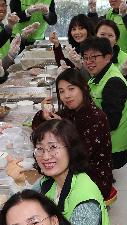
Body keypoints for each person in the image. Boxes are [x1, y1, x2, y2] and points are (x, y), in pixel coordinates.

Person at [32, 68, 115, 199]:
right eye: (61, 91)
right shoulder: (70, 111)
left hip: (93, 177)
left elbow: (80, 157)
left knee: (38, 188)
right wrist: (43, 115)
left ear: (83, 88)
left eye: (71, 89)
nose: (66, 95)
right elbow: (39, 132)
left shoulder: (96, 117)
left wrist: (64, 130)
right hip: (73, 169)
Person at [81, 37, 127, 170]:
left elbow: (110, 123)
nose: (88, 62)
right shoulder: (101, 75)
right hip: (107, 141)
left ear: (108, 57)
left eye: (94, 57)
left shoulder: (113, 82)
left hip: (113, 148)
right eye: (85, 57)